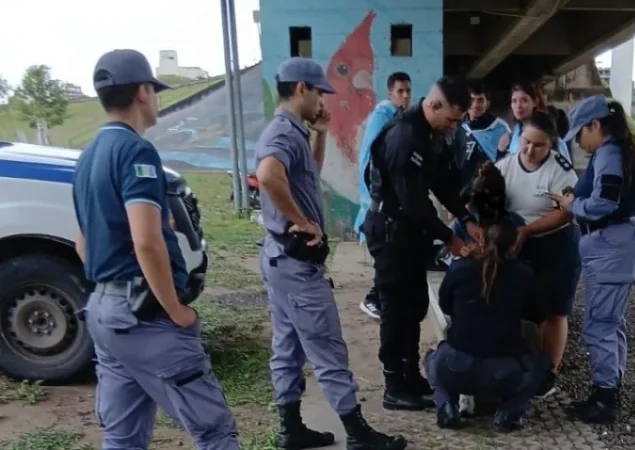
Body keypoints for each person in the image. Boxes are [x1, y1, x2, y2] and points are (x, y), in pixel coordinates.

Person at [73, 49, 239, 449]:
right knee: (215, 431)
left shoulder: (88, 155)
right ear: (142, 92)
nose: (157, 99)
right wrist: (175, 310)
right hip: (142, 315)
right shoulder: (136, 150)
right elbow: (146, 242)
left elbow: (84, 242)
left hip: (104, 313)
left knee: (123, 437)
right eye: (155, 90)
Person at [256, 57, 407, 450]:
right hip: (295, 263)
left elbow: (307, 171)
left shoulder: (294, 131)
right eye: (319, 92)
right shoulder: (282, 132)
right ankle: (357, 433)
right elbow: (269, 175)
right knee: (327, 347)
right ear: (301, 89)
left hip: (280, 260)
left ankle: (291, 428)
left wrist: (321, 134)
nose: (323, 100)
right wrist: (302, 221)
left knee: (288, 347)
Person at [362, 76, 483, 411]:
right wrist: (451, 238)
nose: (454, 126)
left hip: (410, 231)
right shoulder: (404, 136)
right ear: (434, 105)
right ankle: (393, 385)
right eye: (452, 119)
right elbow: (414, 202)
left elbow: (442, 183)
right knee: (394, 308)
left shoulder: (432, 133)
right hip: (390, 230)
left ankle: (411, 374)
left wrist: (466, 218)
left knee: (414, 304)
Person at [549, 95, 635, 425]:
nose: (578, 142)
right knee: (611, 323)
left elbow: (604, 202)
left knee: (600, 326)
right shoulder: (616, 151)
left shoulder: (609, 154)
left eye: (580, 133)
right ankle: (608, 391)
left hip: (612, 248)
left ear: (595, 125)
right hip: (617, 246)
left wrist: (571, 206)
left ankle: (606, 401)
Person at [424, 220, 551, 432]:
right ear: (514, 245)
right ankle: (509, 412)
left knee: (430, 359)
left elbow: (446, 306)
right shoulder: (522, 273)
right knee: (542, 363)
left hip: (455, 366)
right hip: (504, 372)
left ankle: (446, 405)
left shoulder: (459, 267)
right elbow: (538, 314)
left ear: (481, 240)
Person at [496, 111, 581, 399]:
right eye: (526, 142)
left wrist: (528, 230)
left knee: (555, 310)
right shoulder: (505, 166)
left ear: (552, 144)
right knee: (518, 306)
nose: (530, 150)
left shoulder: (561, 171)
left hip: (555, 243)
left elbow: (566, 213)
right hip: (518, 243)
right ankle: (517, 365)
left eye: (539, 145)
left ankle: (548, 373)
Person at [354, 72, 412, 321]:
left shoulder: (398, 118)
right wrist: (373, 197)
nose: (405, 96)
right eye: (400, 91)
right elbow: (370, 160)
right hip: (378, 203)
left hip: (389, 203)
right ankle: (373, 299)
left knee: (392, 257)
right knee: (386, 258)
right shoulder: (382, 118)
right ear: (390, 94)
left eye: (408, 91)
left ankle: (383, 299)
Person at [507, 82, 572, 164]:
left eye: (524, 100)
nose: (518, 106)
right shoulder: (516, 132)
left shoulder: (548, 132)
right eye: (514, 101)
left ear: (535, 102)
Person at [464, 80, 512, 162]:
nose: (475, 105)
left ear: (488, 103)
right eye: (471, 100)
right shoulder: (458, 127)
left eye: (480, 100)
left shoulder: (501, 128)